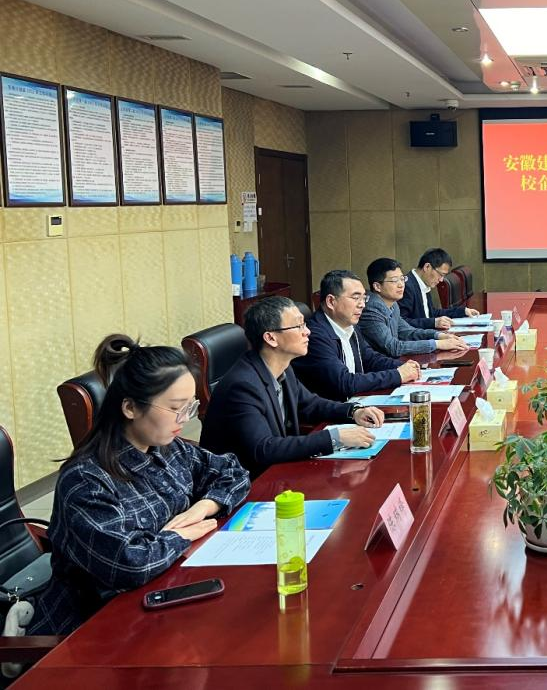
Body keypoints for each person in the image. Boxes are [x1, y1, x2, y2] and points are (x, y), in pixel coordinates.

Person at [27, 336, 250, 636]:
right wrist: (179, 535)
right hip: (92, 629)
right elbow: (129, 565)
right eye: (176, 408)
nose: (185, 419)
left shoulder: (168, 448)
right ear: (130, 407)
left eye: (190, 406)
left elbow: (234, 472)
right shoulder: (87, 481)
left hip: (165, 596)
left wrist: (203, 507)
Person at [201, 296, 387, 477]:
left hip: (278, 471)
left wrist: (353, 411)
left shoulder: (283, 368)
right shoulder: (243, 386)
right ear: (271, 338)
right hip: (246, 481)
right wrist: (334, 438)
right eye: (298, 326)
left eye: (304, 324)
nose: (308, 332)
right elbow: (263, 448)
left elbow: (310, 404)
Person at [293, 270, 421, 400]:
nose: (362, 305)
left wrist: (402, 366)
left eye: (364, 298)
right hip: (332, 409)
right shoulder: (315, 336)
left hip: (355, 404)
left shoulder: (349, 325)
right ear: (331, 301)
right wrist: (397, 375)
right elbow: (344, 382)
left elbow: (370, 358)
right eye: (355, 298)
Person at [361, 257, 469, 357]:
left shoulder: (393, 304)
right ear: (377, 286)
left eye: (402, 279)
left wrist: (439, 335)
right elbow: (393, 347)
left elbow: (408, 332)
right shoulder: (371, 309)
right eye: (394, 280)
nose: (401, 285)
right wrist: (437, 344)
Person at [399, 247, 479, 329]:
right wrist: (433, 323)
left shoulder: (422, 282)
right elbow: (401, 323)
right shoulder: (407, 287)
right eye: (441, 274)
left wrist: (463, 311)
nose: (441, 280)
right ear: (427, 267)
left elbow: (431, 313)